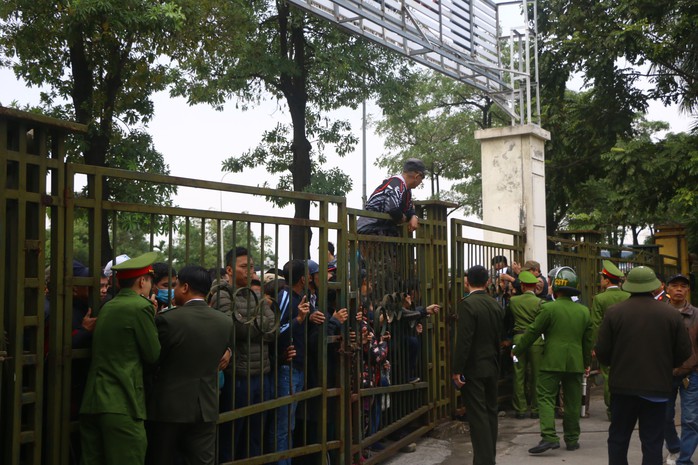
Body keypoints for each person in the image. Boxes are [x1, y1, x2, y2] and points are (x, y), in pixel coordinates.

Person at [595, 267, 691, 465]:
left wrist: (619, 363)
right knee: (652, 441)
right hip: (657, 388)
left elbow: (602, 352)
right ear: (654, 287)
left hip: (622, 388)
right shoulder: (671, 314)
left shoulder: (614, 313)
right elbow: (684, 352)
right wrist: (665, 365)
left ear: (629, 286)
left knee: (618, 438)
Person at [79, 252, 161, 465]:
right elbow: (153, 355)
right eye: (150, 280)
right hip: (122, 401)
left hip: (93, 400)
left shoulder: (109, 306)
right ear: (142, 281)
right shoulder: (141, 307)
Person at [146, 265, 233, 465]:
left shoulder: (169, 320)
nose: (173, 290)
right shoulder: (224, 321)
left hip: (169, 407)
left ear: (185, 287)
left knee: (162, 458)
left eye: (175, 285)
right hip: (207, 405)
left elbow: (154, 359)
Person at [513, 266, 592, 454]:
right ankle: (572, 439)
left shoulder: (549, 308)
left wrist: (518, 349)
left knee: (546, 397)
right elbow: (588, 341)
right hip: (575, 362)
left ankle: (549, 437)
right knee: (573, 401)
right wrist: (587, 362)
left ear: (555, 288)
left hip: (551, 361)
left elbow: (533, 331)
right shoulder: (584, 312)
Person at [208, 246, 275, 460]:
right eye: (244, 267)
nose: (250, 271)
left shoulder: (256, 295)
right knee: (232, 436)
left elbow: (273, 329)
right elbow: (234, 328)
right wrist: (257, 326)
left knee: (256, 437)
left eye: (253, 267)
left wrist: (251, 326)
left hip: (262, 375)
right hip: (238, 377)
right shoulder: (221, 293)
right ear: (229, 269)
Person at [451, 264, 505, 465]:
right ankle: (489, 457)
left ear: (467, 282)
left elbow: (464, 341)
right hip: (492, 364)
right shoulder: (494, 304)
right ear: (488, 282)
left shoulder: (467, 305)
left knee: (478, 416)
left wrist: (457, 369)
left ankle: (484, 461)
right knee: (491, 413)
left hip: (473, 368)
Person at [664, 273, 698, 465]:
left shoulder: (696, 315)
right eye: (674, 285)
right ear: (667, 289)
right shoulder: (659, 314)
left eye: (683, 286)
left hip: (691, 373)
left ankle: (684, 460)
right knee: (664, 416)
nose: (679, 289)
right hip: (664, 374)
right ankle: (675, 447)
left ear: (687, 290)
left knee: (691, 419)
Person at [591, 259, 630, 420]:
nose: (600, 282)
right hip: (628, 344)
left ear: (607, 280)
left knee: (608, 376)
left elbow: (596, 324)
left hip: (608, 345)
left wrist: (596, 346)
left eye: (601, 279)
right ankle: (627, 408)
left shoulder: (599, 299)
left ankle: (612, 410)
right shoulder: (629, 296)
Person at [506, 270, 544, 419]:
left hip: (518, 340)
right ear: (535, 286)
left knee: (518, 374)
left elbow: (508, 321)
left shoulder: (513, 301)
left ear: (522, 286)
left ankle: (520, 409)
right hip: (536, 341)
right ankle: (535, 408)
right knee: (536, 375)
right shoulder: (541, 303)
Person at [356, 158, 425, 236]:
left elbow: (408, 210)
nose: (421, 182)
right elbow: (392, 208)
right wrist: (402, 217)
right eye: (422, 178)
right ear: (417, 176)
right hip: (369, 227)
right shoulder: (395, 184)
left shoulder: (406, 190)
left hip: (382, 228)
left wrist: (413, 216)